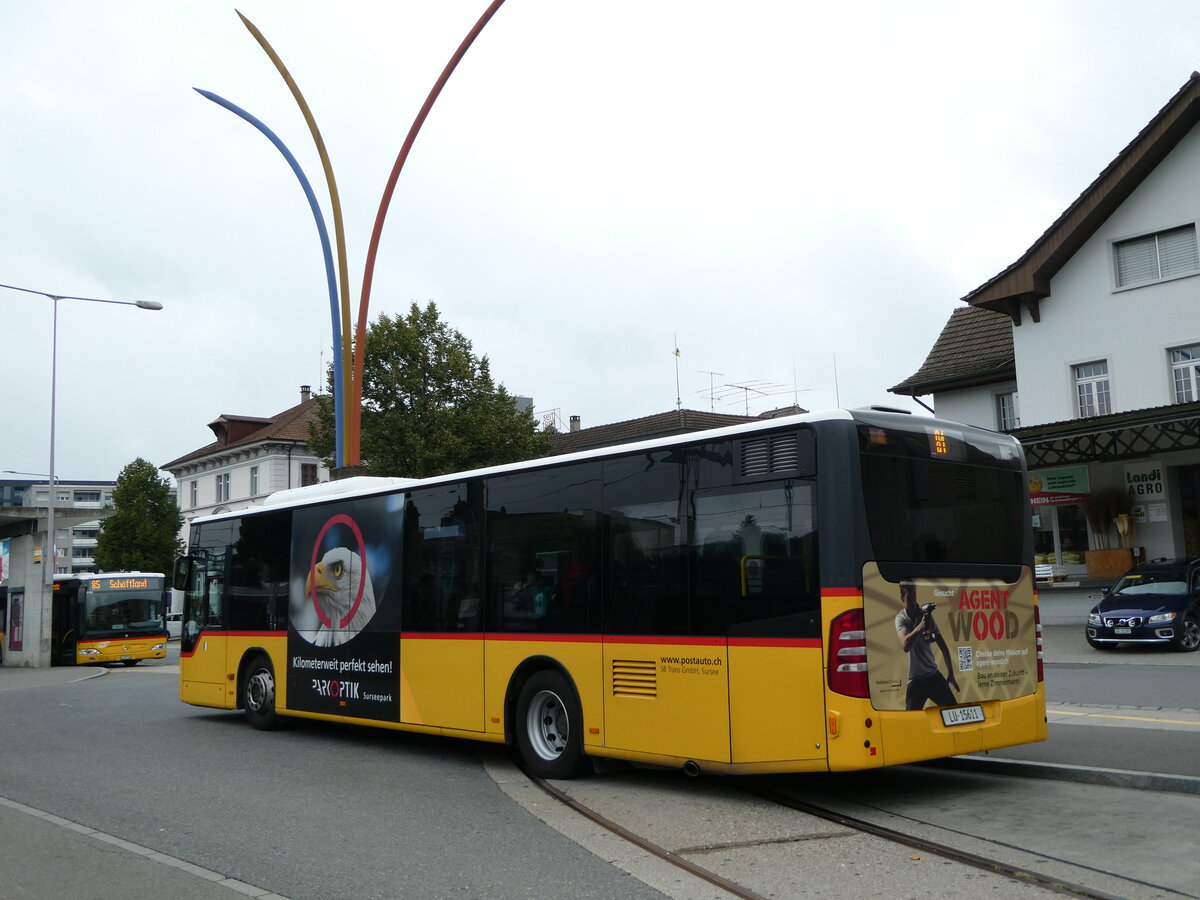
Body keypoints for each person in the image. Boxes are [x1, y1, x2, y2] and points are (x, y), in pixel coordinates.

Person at [895, 579, 958, 710]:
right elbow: (906, 645)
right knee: (910, 721)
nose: (913, 600)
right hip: (915, 680)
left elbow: (943, 646)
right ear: (902, 597)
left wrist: (951, 673)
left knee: (954, 710)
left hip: (933, 675)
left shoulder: (926, 615)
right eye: (909, 597)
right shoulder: (901, 619)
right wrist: (921, 626)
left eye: (914, 595)